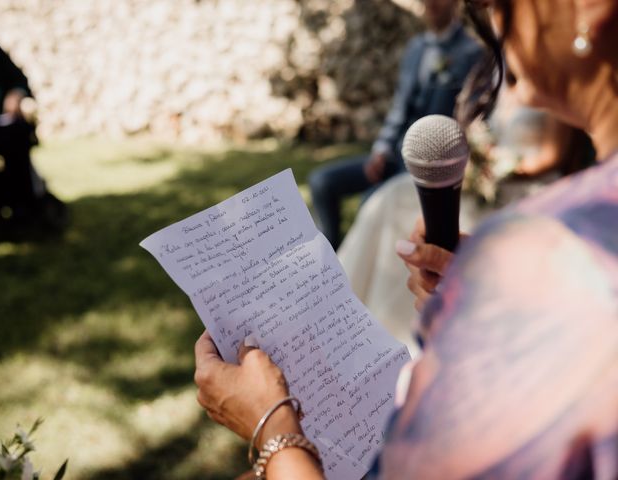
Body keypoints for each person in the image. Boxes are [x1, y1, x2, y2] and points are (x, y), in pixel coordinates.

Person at [194, 0, 618, 478]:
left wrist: (272, 431)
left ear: (589, 8)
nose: (493, 27)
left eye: (496, 5)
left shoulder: (558, 256)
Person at [336, 87, 595, 355]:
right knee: (393, 195)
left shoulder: (550, 85)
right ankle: (352, 314)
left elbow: (552, 156)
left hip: (522, 186)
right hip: (481, 178)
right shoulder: (497, 77)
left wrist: (495, 167)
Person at [309, 0, 483, 250]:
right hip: (395, 154)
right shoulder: (415, 48)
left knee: (371, 203)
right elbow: (399, 107)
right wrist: (381, 149)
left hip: (426, 159)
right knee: (321, 182)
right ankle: (330, 253)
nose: (431, 3)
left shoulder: (471, 52)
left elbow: (470, 117)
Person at [0, 40, 66, 239]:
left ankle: (25, 209)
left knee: (18, 140)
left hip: (0, 126)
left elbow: (19, 81)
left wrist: (15, 94)